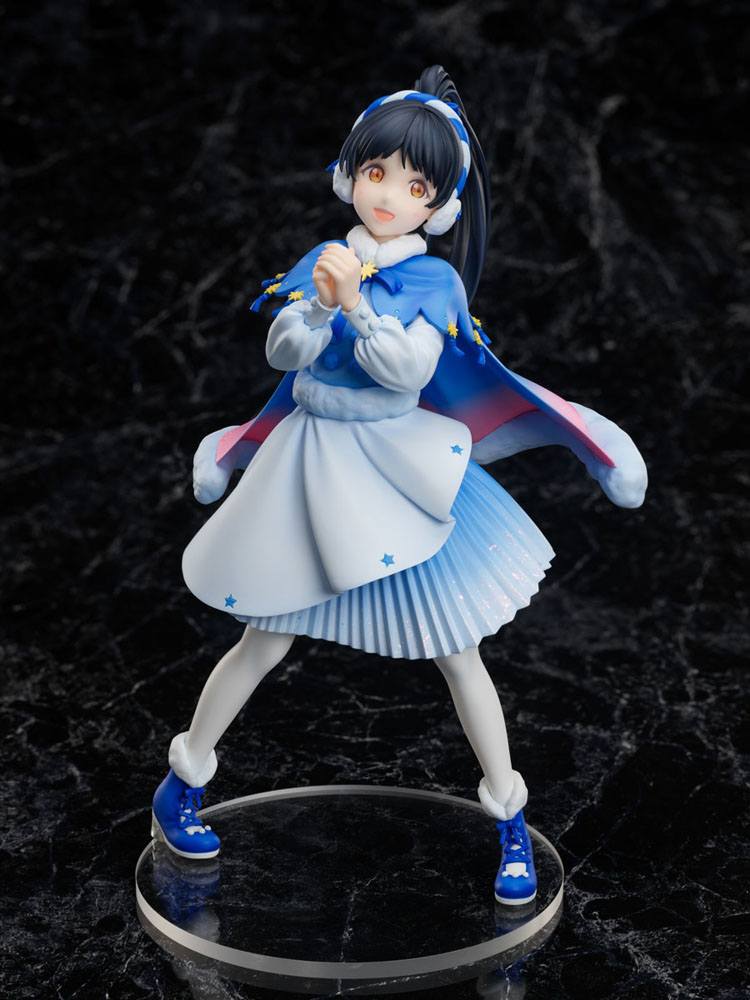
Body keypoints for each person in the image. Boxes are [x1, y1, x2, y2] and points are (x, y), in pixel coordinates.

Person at [151, 66, 647, 906]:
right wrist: (320, 303)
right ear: (350, 173)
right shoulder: (324, 259)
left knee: (457, 650)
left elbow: (408, 369)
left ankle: (509, 817)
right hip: (310, 466)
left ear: (438, 206)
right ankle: (183, 782)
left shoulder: (432, 283)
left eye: (415, 186)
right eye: (377, 172)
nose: (388, 196)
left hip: (396, 467)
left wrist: (355, 307)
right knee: (264, 637)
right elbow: (283, 353)